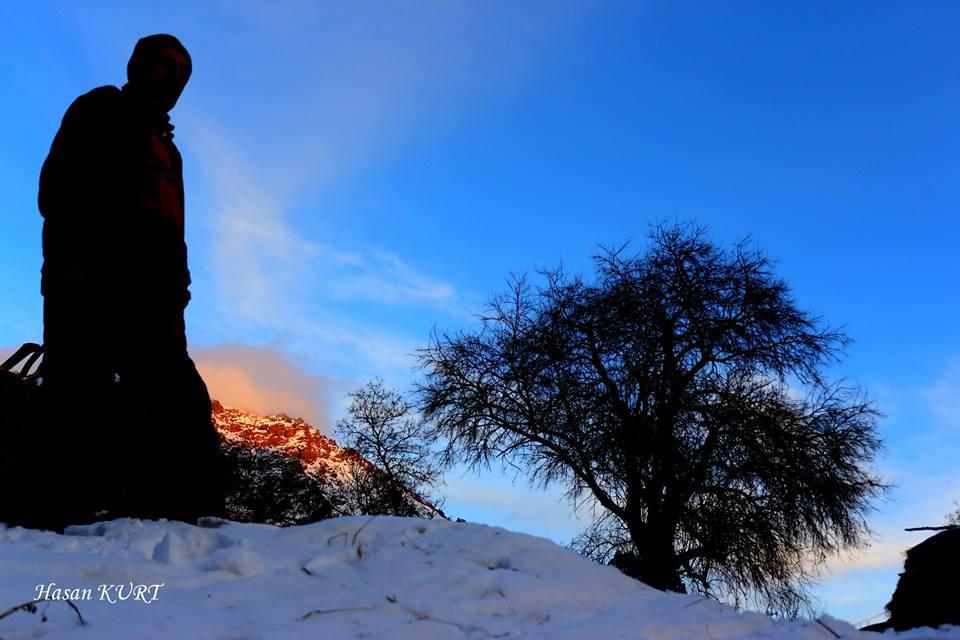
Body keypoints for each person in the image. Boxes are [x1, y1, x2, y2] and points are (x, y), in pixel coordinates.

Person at [37, 34, 224, 529]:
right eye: (165, 65)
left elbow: (171, 224)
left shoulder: (169, 150)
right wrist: (75, 267)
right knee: (79, 397)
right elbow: (57, 190)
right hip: (89, 285)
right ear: (137, 65)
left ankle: (176, 520)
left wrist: (179, 284)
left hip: (153, 300)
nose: (174, 78)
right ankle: (62, 517)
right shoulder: (100, 109)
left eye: (183, 72)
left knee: (177, 403)